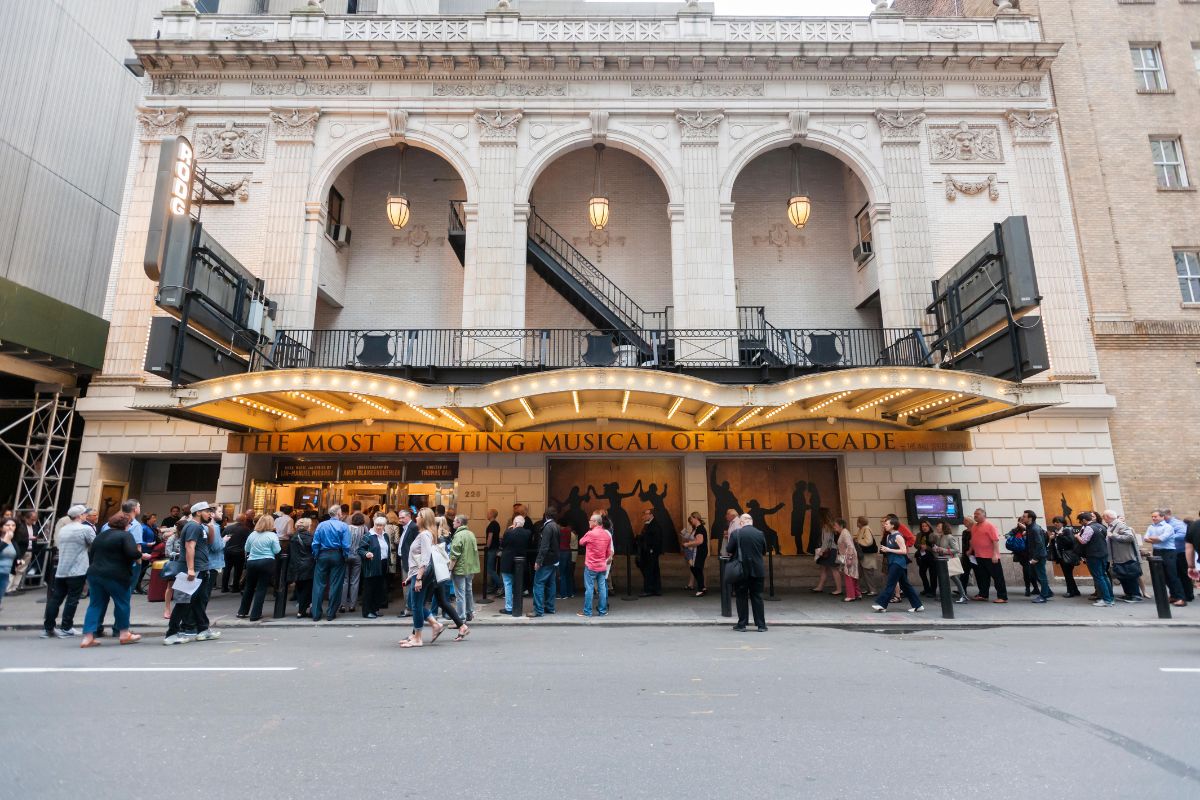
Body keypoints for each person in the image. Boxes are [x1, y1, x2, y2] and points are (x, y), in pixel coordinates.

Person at [400, 508, 468, 647]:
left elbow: (425, 559)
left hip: (425, 575)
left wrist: (418, 578)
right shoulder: (427, 534)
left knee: (418, 605)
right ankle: (423, 631)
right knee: (419, 604)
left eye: (418, 516)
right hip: (422, 574)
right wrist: (411, 576)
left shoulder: (425, 535)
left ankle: (419, 635)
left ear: (424, 519)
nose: (416, 518)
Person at [79, 513, 142, 648]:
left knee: (95, 604)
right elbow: (132, 553)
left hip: (95, 573)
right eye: (129, 524)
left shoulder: (101, 536)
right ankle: (124, 633)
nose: (130, 526)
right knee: (122, 603)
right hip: (116, 575)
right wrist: (141, 554)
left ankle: (88, 637)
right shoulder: (125, 535)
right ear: (125, 525)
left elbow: (92, 554)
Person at [162, 502, 220, 645]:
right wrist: (191, 569)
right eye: (207, 511)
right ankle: (171, 634)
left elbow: (207, 543)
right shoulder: (193, 526)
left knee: (199, 600)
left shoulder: (199, 526)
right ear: (199, 512)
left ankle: (203, 630)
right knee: (183, 602)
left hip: (201, 568)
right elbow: (189, 546)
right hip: (194, 570)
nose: (210, 514)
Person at [42, 505, 95, 638]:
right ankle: (66, 627)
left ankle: (48, 627)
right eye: (84, 514)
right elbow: (94, 544)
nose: (85, 516)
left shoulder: (64, 529)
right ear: (80, 516)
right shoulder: (85, 529)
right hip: (77, 569)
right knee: (72, 599)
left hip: (61, 568)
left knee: (56, 598)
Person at [872, 515, 924, 613]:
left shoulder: (898, 536)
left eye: (886, 524)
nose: (884, 525)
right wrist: (886, 551)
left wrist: (888, 549)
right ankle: (918, 605)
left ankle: (882, 605)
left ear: (893, 525)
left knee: (890, 584)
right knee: (906, 585)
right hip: (892, 562)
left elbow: (904, 551)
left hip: (898, 563)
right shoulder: (888, 536)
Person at [727, 513, 767, 632]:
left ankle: (742, 624)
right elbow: (764, 551)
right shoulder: (760, 533)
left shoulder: (736, 533)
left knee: (741, 597)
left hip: (741, 570)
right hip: (757, 570)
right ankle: (761, 625)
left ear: (741, 522)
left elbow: (729, 549)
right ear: (752, 521)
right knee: (758, 597)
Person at [237, 514, 281, 621]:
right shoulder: (272, 535)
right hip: (266, 562)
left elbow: (247, 548)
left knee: (249, 587)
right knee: (261, 588)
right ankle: (255, 614)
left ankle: (242, 611)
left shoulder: (252, 534)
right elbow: (277, 550)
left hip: (252, 562)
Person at [311, 505, 350, 621]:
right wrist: (345, 556)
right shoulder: (343, 526)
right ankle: (331, 613)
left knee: (319, 585)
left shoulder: (321, 525)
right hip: (337, 555)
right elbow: (346, 545)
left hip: (322, 555)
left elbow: (315, 542)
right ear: (338, 514)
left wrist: (316, 555)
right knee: (335, 585)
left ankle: (316, 614)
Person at [1145, 509, 1186, 606]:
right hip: (1157, 551)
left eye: (1156, 516)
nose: (1154, 518)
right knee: (1164, 576)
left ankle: (1181, 598)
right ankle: (1173, 596)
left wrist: (1154, 539)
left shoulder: (1168, 527)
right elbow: (1145, 538)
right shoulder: (1151, 527)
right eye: (1152, 516)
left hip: (1168, 552)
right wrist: (1156, 539)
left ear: (1162, 517)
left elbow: (1162, 539)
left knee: (1172, 575)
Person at [577, 513, 614, 618]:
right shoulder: (607, 534)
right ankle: (602, 611)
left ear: (595, 522)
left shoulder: (591, 533)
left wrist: (588, 533)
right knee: (602, 588)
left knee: (589, 588)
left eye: (590, 520)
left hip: (591, 566)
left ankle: (587, 611)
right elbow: (609, 552)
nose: (589, 522)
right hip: (602, 566)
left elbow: (581, 542)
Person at [968, 508, 1007, 603]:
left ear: (983, 515)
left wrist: (995, 555)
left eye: (977, 514)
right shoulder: (974, 527)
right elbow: (973, 540)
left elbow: (995, 540)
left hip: (990, 557)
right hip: (979, 556)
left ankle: (1002, 597)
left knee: (998, 577)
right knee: (983, 577)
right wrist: (970, 550)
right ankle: (983, 594)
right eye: (974, 514)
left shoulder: (990, 526)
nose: (975, 515)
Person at [1103, 510, 1142, 603]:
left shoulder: (1120, 525)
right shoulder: (1111, 526)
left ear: (1107, 517)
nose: (1103, 519)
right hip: (1118, 557)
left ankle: (1135, 595)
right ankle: (1128, 594)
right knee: (1123, 576)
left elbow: (1129, 537)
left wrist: (1113, 536)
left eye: (1104, 516)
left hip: (1125, 556)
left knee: (1130, 576)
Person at [1077, 511, 1113, 608]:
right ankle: (1111, 598)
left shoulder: (1089, 528)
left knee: (1099, 577)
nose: (1081, 523)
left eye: (1081, 521)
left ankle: (1106, 600)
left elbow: (1084, 541)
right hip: (1103, 554)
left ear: (1084, 520)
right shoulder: (1102, 526)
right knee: (1104, 576)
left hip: (1093, 555)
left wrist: (1077, 536)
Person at [359, 516, 391, 619]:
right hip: (371, 565)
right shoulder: (368, 536)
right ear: (374, 524)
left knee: (379, 589)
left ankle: (375, 609)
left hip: (382, 564)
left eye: (381, 525)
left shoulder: (385, 536)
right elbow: (360, 549)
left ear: (384, 526)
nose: (378, 527)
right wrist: (366, 553)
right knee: (369, 589)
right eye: (377, 525)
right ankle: (367, 611)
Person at [499, 515, 532, 615]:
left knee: (508, 584)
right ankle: (517, 607)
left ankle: (509, 608)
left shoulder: (509, 532)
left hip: (507, 562)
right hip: (520, 564)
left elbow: (503, 544)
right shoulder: (528, 533)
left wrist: (510, 529)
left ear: (515, 523)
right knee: (518, 585)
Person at [448, 514, 478, 622]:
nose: (453, 523)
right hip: (470, 568)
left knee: (459, 594)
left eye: (454, 521)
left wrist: (450, 569)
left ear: (459, 523)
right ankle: (469, 613)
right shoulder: (471, 534)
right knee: (468, 591)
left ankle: (461, 618)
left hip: (460, 569)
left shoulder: (458, 535)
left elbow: (454, 555)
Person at [532, 507, 561, 617]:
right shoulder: (557, 526)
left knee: (538, 584)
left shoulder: (547, 527)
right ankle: (550, 607)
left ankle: (538, 610)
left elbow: (544, 547)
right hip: (554, 560)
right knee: (551, 584)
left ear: (545, 515)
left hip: (546, 560)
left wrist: (538, 561)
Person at [931, 520, 969, 603]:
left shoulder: (949, 537)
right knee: (947, 578)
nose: (937, 528)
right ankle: (947, 596)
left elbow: (956, 549)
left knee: (954, 578)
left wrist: (943, 550)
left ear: (944, 528)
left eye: (939, 526)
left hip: (950, 560)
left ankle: (963, 595)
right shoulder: (940, 537)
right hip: (944, 561)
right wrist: (937, 549)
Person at [1020, 510, 1052, 603]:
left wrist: (1035, 558)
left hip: (1038, 556)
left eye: (1024, 516)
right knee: (1037, 575)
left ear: (1030, 518)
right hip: (1035, 555)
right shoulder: (1030, 527)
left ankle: (1043, 596)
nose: (1022, 517)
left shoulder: (1034, 529)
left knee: (1041, 576)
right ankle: (1048, 592)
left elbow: (1040, 545)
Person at [1164, 509, 1194, 604]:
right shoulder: (1167, 523)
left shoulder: (1176, 523)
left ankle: (1188, 595)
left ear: (1168, 514)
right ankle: (1178, 595)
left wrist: (1167, 536)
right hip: (1174, 553)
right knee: (1176, 575)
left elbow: (1183, 534)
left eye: (1162, 515)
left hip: (1181, 553)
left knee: (1183, 574)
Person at [1048, 516, 1082, 598]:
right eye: (1054, 522)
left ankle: (1070, 591)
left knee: (1068, 575)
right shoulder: (1055, 531)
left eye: (1058, 522)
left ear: (1063, 523)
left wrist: (1060, 536)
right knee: (1068, 574)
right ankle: (1075, 590)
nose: (1056, 524)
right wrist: (1052, 538)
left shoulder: (1067, 530)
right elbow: (1055, 544)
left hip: (1067, 556)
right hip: (1060, 556)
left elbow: (1071, 542)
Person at [288, 518, 315, 618]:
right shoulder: (311, 537)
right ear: (308, 526)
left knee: (299, 587)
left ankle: (301, 608)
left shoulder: (293, 537)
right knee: (307, 588)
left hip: (296, 565)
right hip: (308, 565)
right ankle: (302, 610)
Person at [342, 512, 368, 613]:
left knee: (345, 580)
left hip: (347, 555)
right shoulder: (365, 528)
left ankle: (342, 605)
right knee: (355, 581)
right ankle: (352, 605)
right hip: (358, 556)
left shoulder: (347, 527)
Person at [221, 511, 253, 593]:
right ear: (244, 520)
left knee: (227, 569)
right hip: (239, 552)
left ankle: (224, 587)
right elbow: (249, 540)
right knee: (238, 571)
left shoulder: (228, 528)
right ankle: (235, 587)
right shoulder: (246, 529)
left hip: (228, 551)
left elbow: (223, 538)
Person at [636, 508, 663, 597]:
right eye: (644, 513)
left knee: (650, 570)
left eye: (646, 514)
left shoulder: (654, 524)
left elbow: (656, 539)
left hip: (651, 552)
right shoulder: (648, 524)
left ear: (651, 515)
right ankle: (655, 589)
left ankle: (649, 590)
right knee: (652, 570)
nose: (644, 515)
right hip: (648, 551)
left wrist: (652, 549)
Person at [395, 509, 418, 617]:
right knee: (406, 585)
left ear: (409, 517)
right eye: (399, 517)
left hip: (410, 562)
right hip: (404, 559)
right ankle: (408, 607)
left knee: (408, 586)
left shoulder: (413, 527)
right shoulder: (405, 528)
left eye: (403, 517)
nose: (400, 520)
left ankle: (409, 608)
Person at [812, 521, 842, 595]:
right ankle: (820, 587)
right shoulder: (829, 526)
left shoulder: (826, 526)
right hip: (830, 550)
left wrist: (822, 551)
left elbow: (826, 540)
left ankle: (839, 590)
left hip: (830, 550)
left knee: (834, 569)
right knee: (824, 569)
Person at [835, 518, 861, 602]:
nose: (834, 527)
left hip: (849, 556)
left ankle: (851, 595)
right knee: (853, 575)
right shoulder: (844, 532)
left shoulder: (844, 533)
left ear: (840, 526)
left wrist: (849, 558)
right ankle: (857, 593)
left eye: (835, 525)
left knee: (849, 575)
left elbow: (850, 546)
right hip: (849, 555)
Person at [683, 512, 708, 597]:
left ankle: (701, 589)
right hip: (699, 551)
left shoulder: (700, 528)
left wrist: (688, 544)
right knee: (695, 568)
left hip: (700, 552)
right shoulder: (698, 528)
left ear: (696, 518)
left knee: (697, 569)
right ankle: (702, 587)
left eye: (692, 519)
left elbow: (699, 541)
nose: (691, 521)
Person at [854, 516, 880, 594]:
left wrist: (858, 541)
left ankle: (873, 590)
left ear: (860, 522)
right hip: (865, 555)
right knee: (865, 573)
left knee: (868, 573)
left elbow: (868, 542)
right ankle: (868, 589)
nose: (857, 523)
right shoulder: (863, 529)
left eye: (858, 521)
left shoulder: (866, 529)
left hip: (868, 556)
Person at [915, 518, 939, 598]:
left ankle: (933, 591)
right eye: (923, 526)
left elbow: (936, 547)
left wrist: (927, 547)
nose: (924, 527)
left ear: (929, 526)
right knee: (922, 573)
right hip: (922, 556)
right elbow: (915, 544)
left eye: (926, 526)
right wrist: (920, 546)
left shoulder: (934, 535)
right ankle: (926, 588)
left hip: (931, 557)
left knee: (933, 574)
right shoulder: (919, 534)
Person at [0, 519, 18, 611]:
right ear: (1, 527)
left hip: (6, 573)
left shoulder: (13, 542)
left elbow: (15, 555)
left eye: (13, 525)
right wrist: (5, 541)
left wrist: (18, 561)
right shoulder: (5, 540)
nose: (10, 527)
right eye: (7, 525)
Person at [484, 509, 502, 595]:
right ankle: (494, 587)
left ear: (491, 514)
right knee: (493, 569)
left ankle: (501, 586)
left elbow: (490, 537)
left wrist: (487, 547)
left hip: (491, 550)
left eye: (488, 513)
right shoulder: (497, 524)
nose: (487, 514)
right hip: (495, 549)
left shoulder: (492, 525)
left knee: (490, 569)